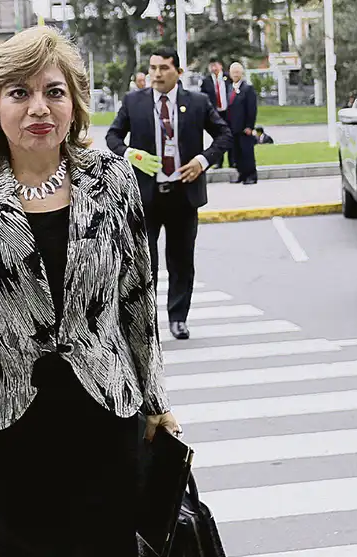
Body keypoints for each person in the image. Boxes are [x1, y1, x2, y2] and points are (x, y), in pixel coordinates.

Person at [0, 26, 181, 557]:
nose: (39, 108)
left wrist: (155, 402)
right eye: (20, 93)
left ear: (75, 103)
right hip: (5, 416)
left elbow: (137, 302)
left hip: (101, 410)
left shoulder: (112, 180)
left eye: (54, 92)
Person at [105, 47, 232, 340]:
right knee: (144, 262)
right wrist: (130, 154)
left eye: (163, 68)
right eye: (153, 68)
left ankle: (178, 318)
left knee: (181, 260)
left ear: (178, 72)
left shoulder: (197, 102)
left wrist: (202, 161)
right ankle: (144, 321)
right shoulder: (134, 102)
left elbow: (224, 135)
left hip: (182, 195)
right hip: (146, 196)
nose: (157, 74)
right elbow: (113, 136)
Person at [227, 62, 259, 185]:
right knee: (237, 153)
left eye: (237, 72)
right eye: (233, 72)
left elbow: (252, 109)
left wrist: (249, 126)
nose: (235, 74)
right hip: (233, 127)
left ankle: (251, 175)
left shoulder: (247, 88)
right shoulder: (230, 88)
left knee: (247, 152)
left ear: (242, 73)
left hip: (244, 127)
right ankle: (241, 174)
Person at [199, 57, 231, 168]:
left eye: (215, 65)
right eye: (211, 66)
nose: (214, 68)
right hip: (215, 113)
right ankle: (218, 161)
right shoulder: (206, 81)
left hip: (228, 111)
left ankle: (233, 161)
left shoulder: (228, 78)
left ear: (220, 66)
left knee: (231, 136)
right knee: (218, 138)